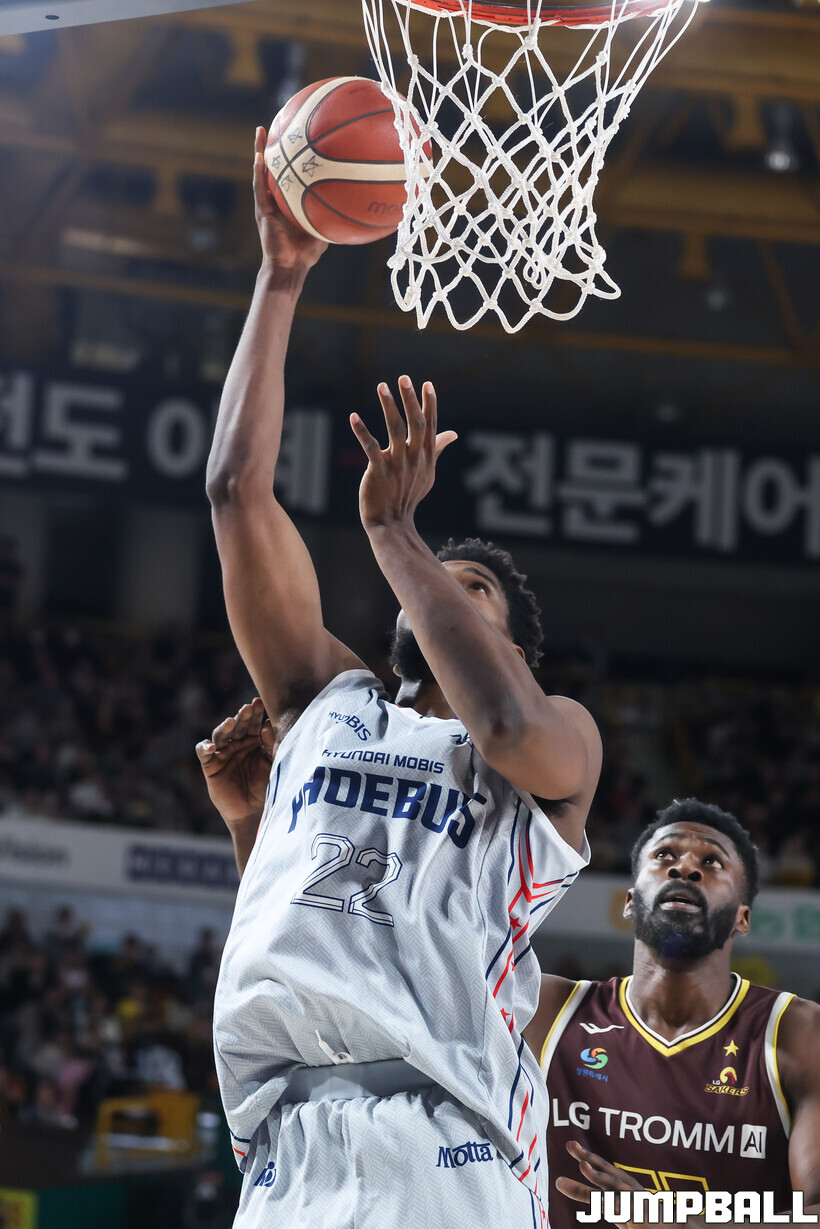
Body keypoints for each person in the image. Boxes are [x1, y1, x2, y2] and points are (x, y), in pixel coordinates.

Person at [198, 127, 602, 1228]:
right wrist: (282, 278)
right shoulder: (325, 703)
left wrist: (397, 535)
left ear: (511, 646)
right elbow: (236, 493)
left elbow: (506, 716)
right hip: (288, 1143)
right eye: (435, 584)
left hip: (451, 1141)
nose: (439, 596)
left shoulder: (551, 743)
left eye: (471, 592)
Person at [523, 798, 820, 1229]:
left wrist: (674, 1224)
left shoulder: (798, 1033)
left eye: (712, 862)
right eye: (664, 855)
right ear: (629, 901)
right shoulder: (543, 1008)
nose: (685, 868)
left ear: (742, 918)